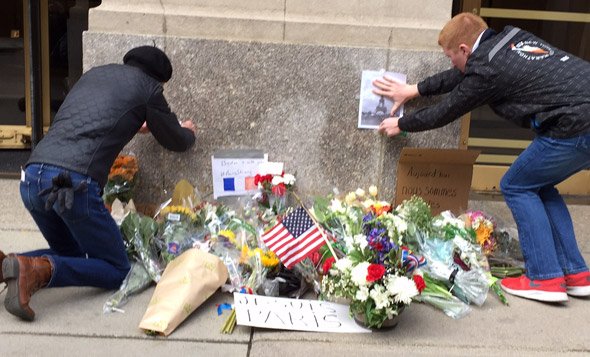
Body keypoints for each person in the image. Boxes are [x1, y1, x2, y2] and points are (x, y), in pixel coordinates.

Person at [373, 13, 590, 303]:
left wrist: (400, 124)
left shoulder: (487, 70)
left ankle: (545, 279)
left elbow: (447, 110)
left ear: (464, 49)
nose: (451, 63)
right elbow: (463, 73)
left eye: (451, 56)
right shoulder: (509, 39)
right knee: (540, 185)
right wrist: (415, 89)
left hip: (575, 125)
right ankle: (576, 274)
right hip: (581, 119)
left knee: (517, 185)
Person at [0, 46, 196, 321]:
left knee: (71, 253)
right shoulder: (149, 89)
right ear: (159, 79)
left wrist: (136, 123)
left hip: (32, 179)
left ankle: (7, 266)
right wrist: (188, 132)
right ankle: (35, 270)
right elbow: (174, 139)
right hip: (71, 186)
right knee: (117, 268)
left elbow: (92, 121)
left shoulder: (94, 75)